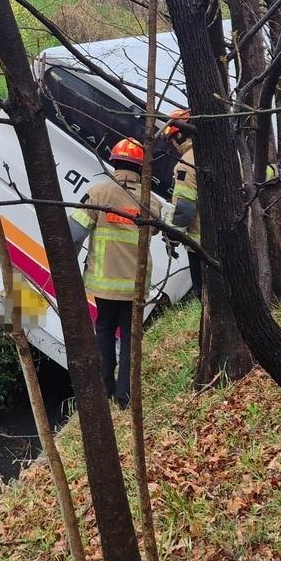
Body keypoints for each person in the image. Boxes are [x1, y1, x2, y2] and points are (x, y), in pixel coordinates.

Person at [67, 138, 164, 408]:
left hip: (104, 284)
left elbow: (74, 234)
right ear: (142, 167)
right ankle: (125, 396)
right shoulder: (150, 203)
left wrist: (70, 270)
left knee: (105, 331)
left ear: (115, 163)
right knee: (131, 337)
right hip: (135, 285)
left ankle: (105, 387)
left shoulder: (99, 194)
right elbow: (158, 229)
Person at [162, 108, 202, 298]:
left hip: (201, 243)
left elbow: (185, 210)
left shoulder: (186, 163)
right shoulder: (224, 152)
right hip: (235, 235)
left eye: (171, 140)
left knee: (204, 293)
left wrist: (173, 236)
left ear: (179, 135)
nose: (173, 145)